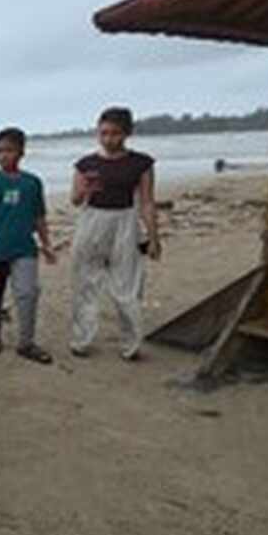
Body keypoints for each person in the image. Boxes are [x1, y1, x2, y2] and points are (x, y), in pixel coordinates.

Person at [70, 107, 160, 361]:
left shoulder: (141, 163)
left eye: (115, 133)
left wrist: (154, 238)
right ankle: (81, 339)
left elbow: (147, 202)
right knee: (85, 282)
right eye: (104, 133)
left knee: (128, 285)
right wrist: (85, 189)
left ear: (127, 133)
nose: (109, 139)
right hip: (92, 220)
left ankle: (131, 344)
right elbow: (75, 200)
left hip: (126, 221)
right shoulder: (86, 164)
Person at [0, 127, 57, 363]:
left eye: (8, 150)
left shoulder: (32, 183)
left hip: (24, 248)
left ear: (21, 152)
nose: (3, 156)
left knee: (28, 294)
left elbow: (39, 216)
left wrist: (46, 244)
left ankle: (26, 342)